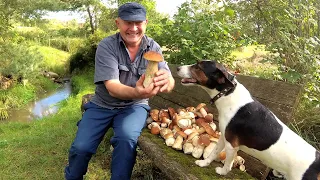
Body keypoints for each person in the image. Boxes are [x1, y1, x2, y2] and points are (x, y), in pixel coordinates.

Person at [64, 2, 175, 180]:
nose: (133, 28)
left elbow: (169, 82)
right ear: (118, 23)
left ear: (145, 23)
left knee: (126, 140)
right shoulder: (107, 46)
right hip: (102, 105)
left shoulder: (153, 47)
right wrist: (139, 92)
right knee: (81, 147)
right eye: (128, 22)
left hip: (134, 107)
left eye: (138, 22)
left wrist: (167, 81)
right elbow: (113, 88)